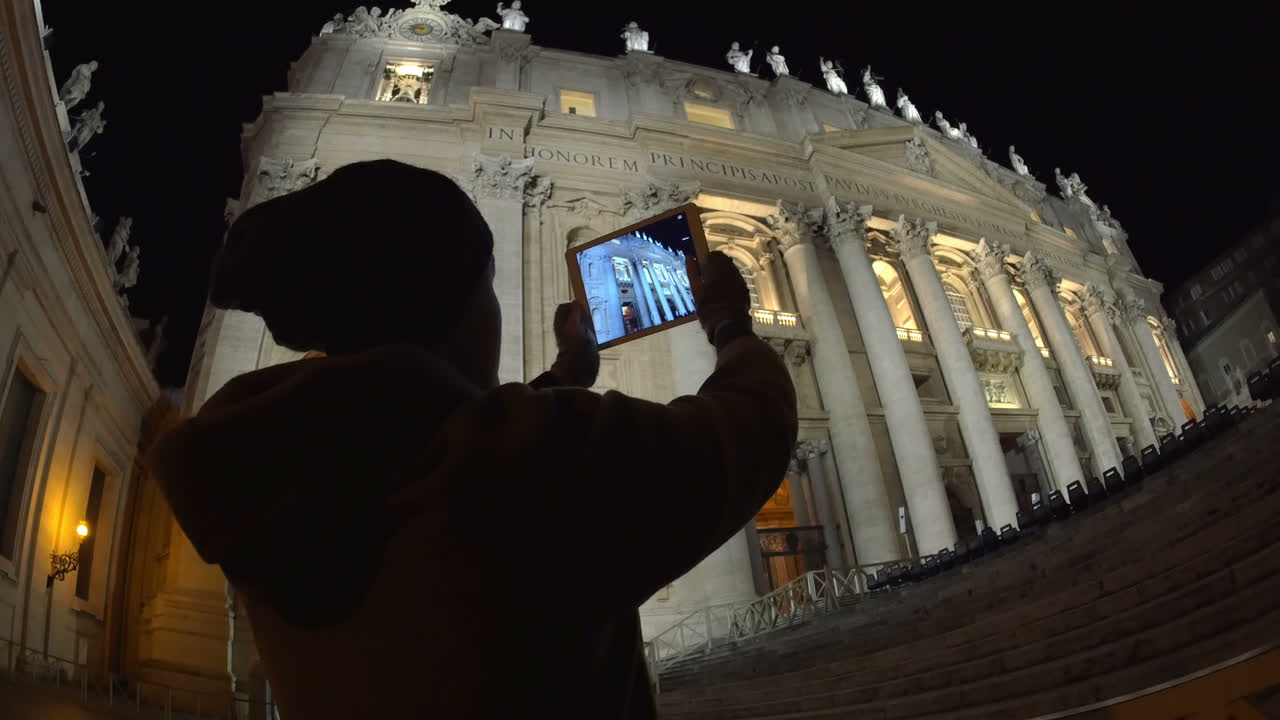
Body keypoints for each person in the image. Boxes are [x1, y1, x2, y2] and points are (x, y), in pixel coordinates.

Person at [148, 160, 797, 719]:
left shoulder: (265, 465)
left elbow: (416, 432)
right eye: (487, 284)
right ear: (458, 304)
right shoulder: (538, 463)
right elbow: (748, 426)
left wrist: (566, 374)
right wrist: (729, 326)